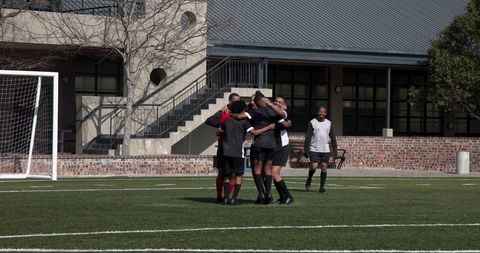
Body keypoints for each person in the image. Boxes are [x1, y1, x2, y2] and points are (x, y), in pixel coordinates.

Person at [219, 100, 275, 205]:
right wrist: (269, 127)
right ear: (242, 110)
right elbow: (254, 132)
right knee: (239, 175)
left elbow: (218, 132)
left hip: (226, 151)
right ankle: (234, 198)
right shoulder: (244, 122)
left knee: (227, 175)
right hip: (238, 152)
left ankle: (226, 198)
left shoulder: (226, 121)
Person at [245, 91, 287, 204]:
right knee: (267, 169)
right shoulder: (273, 111)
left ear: (257, 102)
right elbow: (283, 115)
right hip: (272, 145)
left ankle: (261, 194)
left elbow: (241, 116)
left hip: (259, 144)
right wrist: (271, 105)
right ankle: (268, 193)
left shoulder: (253, 112)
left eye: (254, 100)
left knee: (257, 169)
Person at [205, 93, 240, 203]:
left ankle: (228, 196)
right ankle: (219, 196)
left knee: (233, 174)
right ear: (229, 101)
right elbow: (209, 120)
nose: (236, 103)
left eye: (238, 101)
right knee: (222, 173)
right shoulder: (223, 112)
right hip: (223, 146)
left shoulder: (241, 113)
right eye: (234, 100)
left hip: (236, 147)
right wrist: (223, 124)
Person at [304, 106, 337, 193]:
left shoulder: (329, 123)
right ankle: (309, 179)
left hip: (325, 149)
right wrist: (306, 150)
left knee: (324, 167)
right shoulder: (312, 122)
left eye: (323, 112)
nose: (321, 113)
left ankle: (322, 187)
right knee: (314, 166)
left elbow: (332, 137)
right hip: (314, 148)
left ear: (325, 113)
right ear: (317, 112)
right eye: (320, 112)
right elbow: (308, 136)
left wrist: (335, 149)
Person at [270, 96, 294, 204]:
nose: (277, 103)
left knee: (274, 173)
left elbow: (287, 123)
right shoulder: (273, 113)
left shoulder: (283, 113)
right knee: (273, 173)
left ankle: (288, 196)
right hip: (274, 146)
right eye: (276, 101)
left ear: (284, 105)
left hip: (282, 146)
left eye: (280, 102)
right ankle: (283, 197)